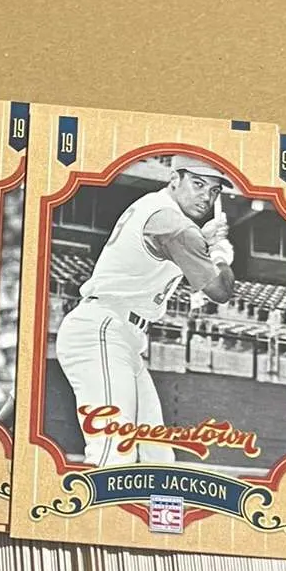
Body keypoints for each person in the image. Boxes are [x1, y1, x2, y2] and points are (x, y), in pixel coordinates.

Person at [54, 156, 236, 467]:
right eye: (198, 184)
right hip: (102, 330)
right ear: (174, 179)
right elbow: (221, 291)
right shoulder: (175, 225)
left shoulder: (155, 206)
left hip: (121, 337)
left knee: (157, 456)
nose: (206, 196)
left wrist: (203, 241)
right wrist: (220, 255)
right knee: (112, 452)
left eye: (214, 190)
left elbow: (173, 243)